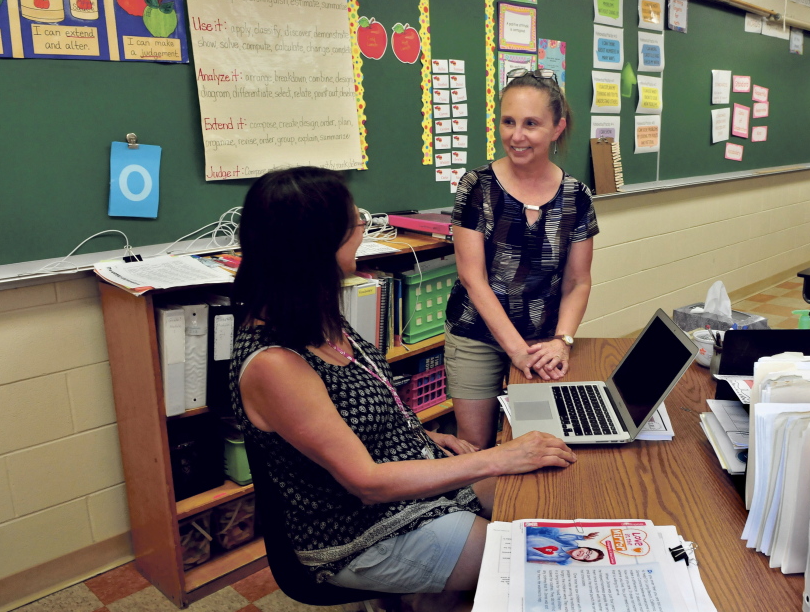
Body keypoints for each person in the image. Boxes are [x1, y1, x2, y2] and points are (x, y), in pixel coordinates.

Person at [230, 167, 577, 608]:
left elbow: (348, 417)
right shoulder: (275, 365)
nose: (363, 230)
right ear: (316, 246)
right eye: (355, 223)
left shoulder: (311, 316)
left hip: (408, 482)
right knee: (533, 560)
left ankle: (428, 597)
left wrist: (426, 436)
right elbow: (367, 483)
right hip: (358, 531)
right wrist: (495, 457)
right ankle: (425, 595)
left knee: (544, 488)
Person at [446, 68, 599, 449]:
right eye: (508, 121)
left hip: (542, 339)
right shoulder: (476, 186)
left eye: (531, 124)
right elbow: (473, 279)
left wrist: (562, 341)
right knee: (476, 446)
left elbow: (578, 281)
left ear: (557, 127)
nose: (516, 136)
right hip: (476, 334)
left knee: (540, 440)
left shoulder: (576, 197)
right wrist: (515, 350)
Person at [525, 526, 604, 565]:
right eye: (588, 552)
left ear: (581, 560)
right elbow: (561, 537)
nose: (584, 554)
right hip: (527, 537)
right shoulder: (572, 543)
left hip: (522, 550)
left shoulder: (561, 559)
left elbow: (536, 558)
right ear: (585, 547)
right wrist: (583, 537)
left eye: (586, 557)